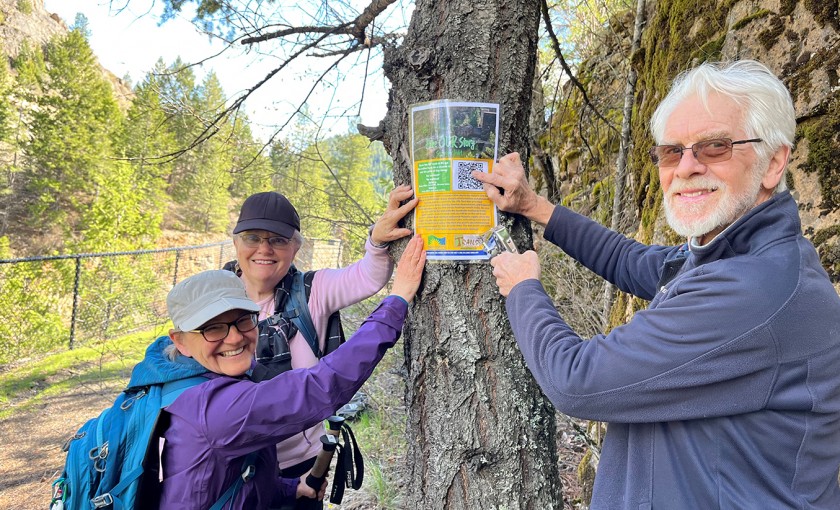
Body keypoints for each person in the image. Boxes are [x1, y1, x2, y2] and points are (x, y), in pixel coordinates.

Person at [472, 60, 840, 508]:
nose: (685, 167)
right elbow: (635, 261)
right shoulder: (737, 254)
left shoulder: (757, 288)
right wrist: (536, 207)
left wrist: (523, 289)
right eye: (672, 151)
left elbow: (577, 381)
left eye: (715, 147)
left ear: (773, 162)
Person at [146, 234, 425, 509]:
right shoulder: (215, 408)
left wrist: (290, 489)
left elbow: (219, 479)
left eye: (243, 320)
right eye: (212, 328)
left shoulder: (180, 376)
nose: (234, 338)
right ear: (180, 341)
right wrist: (396, 302)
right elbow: (318, 388)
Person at [226, 185, 417, 494]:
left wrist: (378, 241)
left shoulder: (312, 291)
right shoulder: (216, 302)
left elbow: (368, 275)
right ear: (236, 243)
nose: (264, 249)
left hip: (303, 470)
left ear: (295, 248)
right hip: (234, 471)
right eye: (252, 238)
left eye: (278, 240)